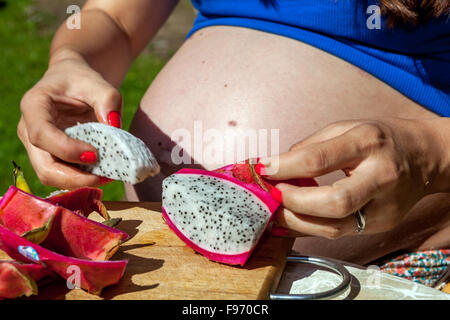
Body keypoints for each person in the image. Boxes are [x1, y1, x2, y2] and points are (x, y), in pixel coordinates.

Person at [18, 0, 449, 274]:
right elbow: (103, 14)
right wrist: (70, 57)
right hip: (163, 266)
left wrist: (433, 155)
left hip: (382, 264)